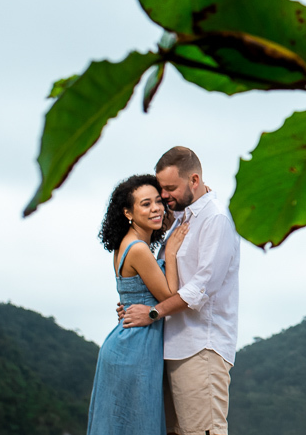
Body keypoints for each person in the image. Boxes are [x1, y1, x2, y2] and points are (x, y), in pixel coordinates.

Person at [121, 146, 240, 435]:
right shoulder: (182, 219)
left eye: (170, 188)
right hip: (169, 347)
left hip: (201, 348)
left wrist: (152, 312)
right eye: (161, 188)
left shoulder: (216, 220)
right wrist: (135, 304)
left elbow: (201, 289)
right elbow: (164, 278)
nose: (164, 196)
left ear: (194, 180)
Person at [89, 174, 189, 435]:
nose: (156, 208)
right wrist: (171, 252)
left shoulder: (127, 245)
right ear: (127, 212)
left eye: (158, 201)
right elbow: (169, 295)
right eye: (145, 204)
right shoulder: (139, 249)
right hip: (136, 347)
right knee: (135, 425)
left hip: (128, 341)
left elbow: (132, 296)